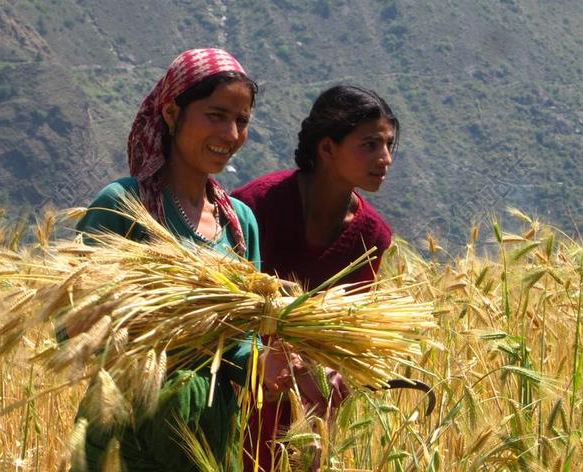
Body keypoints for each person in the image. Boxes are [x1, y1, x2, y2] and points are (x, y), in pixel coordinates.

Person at [72, 48, 262, 472]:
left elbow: (246, 341)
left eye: (242, 120)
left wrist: (271, 363)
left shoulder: (240, 224)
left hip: (208, 442)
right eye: (216, 115)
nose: (231, 133)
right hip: (126, 439)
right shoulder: (124, 205)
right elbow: (72, 328)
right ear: (173, 112)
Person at [232, 85, 398, 471]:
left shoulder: (371, 237)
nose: (386, 158)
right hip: (238, 387)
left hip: (305, 407)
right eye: (370, 144)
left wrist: (333, 372)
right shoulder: (254, 207)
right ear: (327, 148)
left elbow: (348, 332)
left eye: (388, 145)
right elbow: (226, 307)